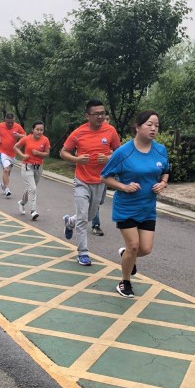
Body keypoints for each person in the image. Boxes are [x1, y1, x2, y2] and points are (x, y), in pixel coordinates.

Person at [101, 110, 169, 297]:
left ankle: (126, 255)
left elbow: (166, 170)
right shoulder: (123, 152)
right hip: (126, 207)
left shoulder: (160, 150)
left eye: (156, 125)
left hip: (147, 208)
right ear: (138, 127)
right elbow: (105, 177)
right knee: (133, 246)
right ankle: (125, 282)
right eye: (149, 125)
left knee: (145, 249)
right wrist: (124, 186)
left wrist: (163, 183)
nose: (153, 129)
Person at [60, 100, 121, 266]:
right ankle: (83, 253)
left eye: (102, 113)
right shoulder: (79, 132)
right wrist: (77, 159)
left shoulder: (110, 131)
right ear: (87, 115)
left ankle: (70, 222)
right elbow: (63, 152)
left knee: (89, 215)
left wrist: (108, 158)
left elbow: (119, 152)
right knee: (82, 217)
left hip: (100, 181)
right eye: (96, 114)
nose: (100, 116)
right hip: (82, 181)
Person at [14, 121, 50, 221]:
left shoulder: (45, 140)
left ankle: (22, 203)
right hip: (27, 166)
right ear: (32, 130)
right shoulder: (26, 139)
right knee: (32, 188)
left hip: (38, 167)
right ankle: (33, 211)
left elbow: (47, 154)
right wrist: (22, 155)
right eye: (37, 129)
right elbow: (16, 147)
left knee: (31, 188)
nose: (39, 132)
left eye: (41, 130)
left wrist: (38, 153)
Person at [0, 113, 25, 197]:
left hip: (12, 154)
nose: (10, 124)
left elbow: (25, 136)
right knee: (6, 170)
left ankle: (3, 184)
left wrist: (19, 135)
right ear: (5, 120)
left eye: (11, 122)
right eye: (8, 122)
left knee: (8, 172)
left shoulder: (17, 126)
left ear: (14, 121)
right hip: (3, 152)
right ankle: (7, 189)